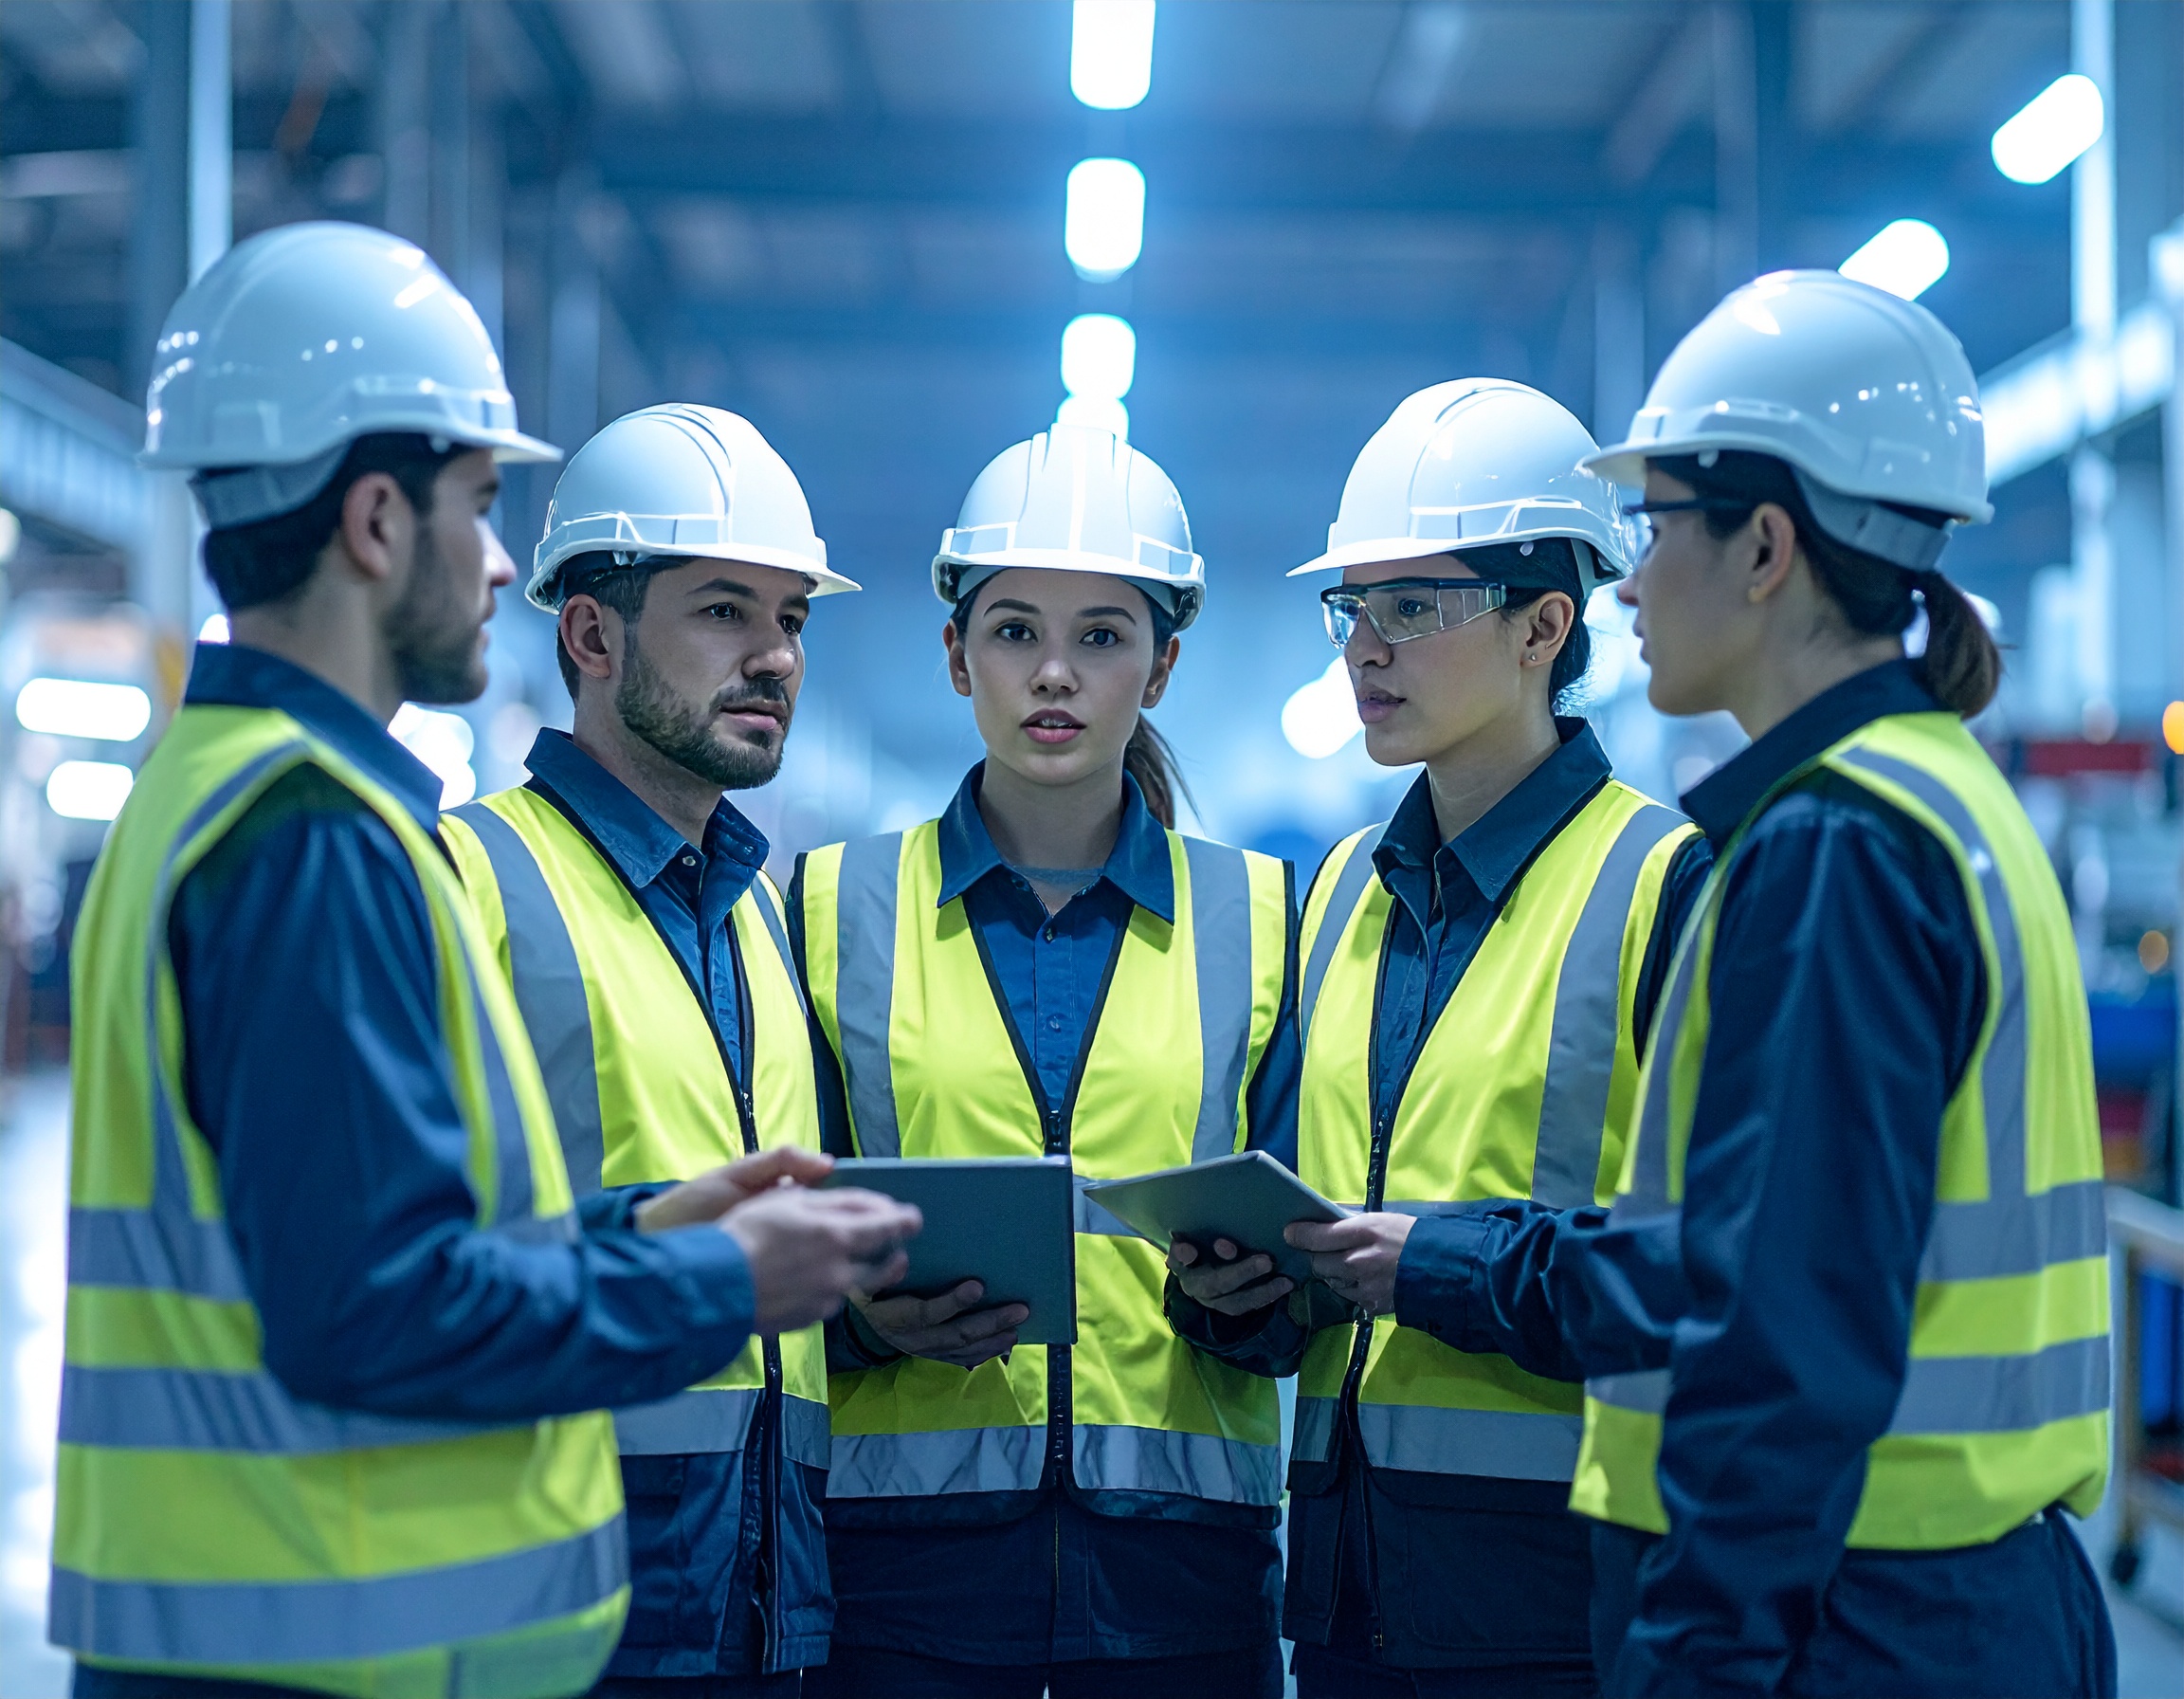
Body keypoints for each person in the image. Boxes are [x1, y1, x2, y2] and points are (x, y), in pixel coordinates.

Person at [57, 222, 919, 1699]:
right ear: (378, 524)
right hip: (319, 1644)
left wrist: (639, 1229)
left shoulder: (212, 790)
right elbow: (375, 1306)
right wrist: (715, 1279)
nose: (501, 556)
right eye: (477, 501)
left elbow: (358, 1239)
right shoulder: (314, 837)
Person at [1421, 272, 2116, 1696]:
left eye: (1657, 523)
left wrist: (1697, 1662)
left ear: (1765, 550)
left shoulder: (1832, 850)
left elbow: (1780, 1341)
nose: (1623, 578)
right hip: (1962, 1603)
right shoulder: (1940, 795)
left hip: (1850, 1619)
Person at [1164, 381, 1710, 1696]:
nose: (1366, 647)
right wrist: (1241, 1297)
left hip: (1560, 1615)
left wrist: (1445, 1268)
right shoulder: (1344, 888)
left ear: (1545, 627)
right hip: (1349, 1607)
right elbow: (1313, 1215)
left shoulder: (1666, 884)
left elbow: (1711, 1271)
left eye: (1415, 606)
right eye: (1353, 606)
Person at [790, 422, 1299, 1699]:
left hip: (1184, 1597)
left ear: (1163, 667)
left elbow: (1317, 1239)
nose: (1054, 675)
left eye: (1102, 637)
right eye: (1014, 631)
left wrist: (1262, 1305)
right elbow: (773, 1232)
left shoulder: (1268, 918)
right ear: (957, 655)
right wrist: (860, 1319)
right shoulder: (830, 906)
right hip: (903, 1597)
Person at [440, 403, 864, 1696]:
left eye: (792, 618)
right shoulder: (465, 882)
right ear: (590, 634)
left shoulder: (761, 922)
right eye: (725, 611)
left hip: (766, 1612)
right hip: (563, 1602)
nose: (776, 656)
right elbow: (421, 1271)